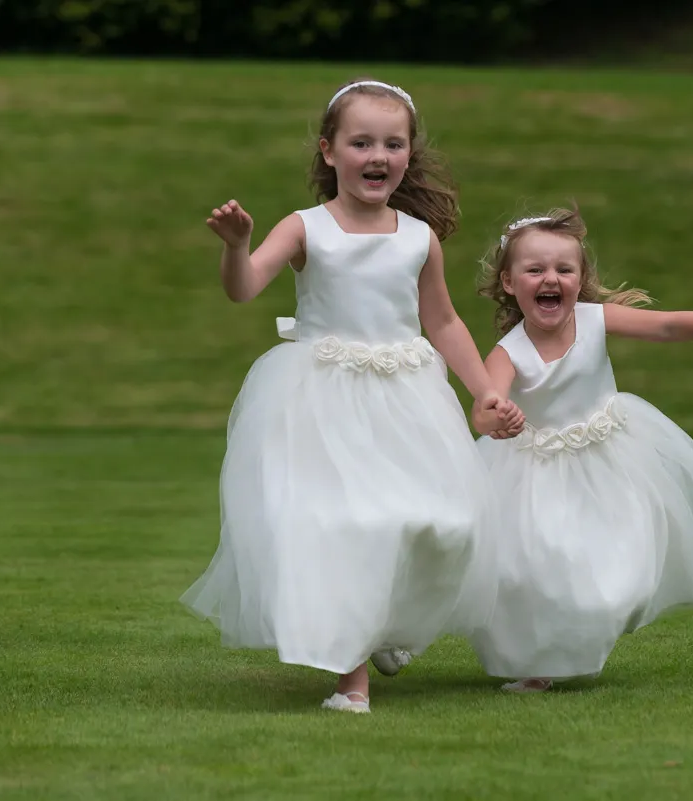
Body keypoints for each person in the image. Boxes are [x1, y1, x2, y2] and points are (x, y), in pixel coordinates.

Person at [181, 78, 523, 713]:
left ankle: (392, 623)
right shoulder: (307, 228)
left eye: (393, 144)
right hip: (323, 397)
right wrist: (236, 249)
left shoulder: (418, 237)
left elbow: (442, 321)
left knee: (444, 523)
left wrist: (483, 393)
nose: (378, 155)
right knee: (348, 527)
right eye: (361, 141)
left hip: (406, 396)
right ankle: (352, 680)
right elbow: (244, 287)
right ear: (329, 151)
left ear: (407, 155)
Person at [469, 207, 693, 692]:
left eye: (564, 270)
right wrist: (496, 417)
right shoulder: (508, 353)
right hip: (534, 474)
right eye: (535, 270)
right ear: (509, 282)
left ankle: (597, 621)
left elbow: (668, 326)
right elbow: (483, 408)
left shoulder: (594, 321)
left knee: (619, 574)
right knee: (535, 571)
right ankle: (539, 664)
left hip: (610, 460)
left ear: (580, 278)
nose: (551, 279)